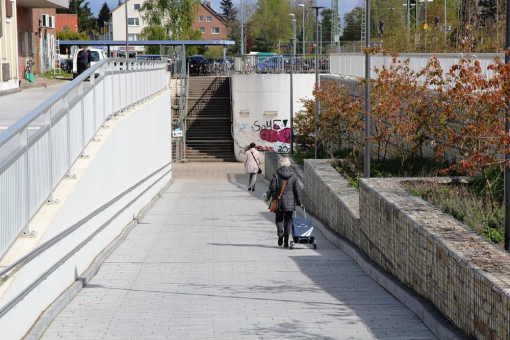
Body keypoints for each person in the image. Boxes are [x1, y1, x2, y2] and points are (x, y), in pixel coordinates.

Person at [269, 157, 302, 248]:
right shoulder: (293, 175)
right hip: (290, 203)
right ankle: (286, 241)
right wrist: (299, 202)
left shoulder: (276, 174)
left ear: (280, 164)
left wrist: (275, 195)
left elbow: (272, 187)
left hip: (279, 201)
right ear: (289, 164)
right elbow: (297, 190)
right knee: (288, 221)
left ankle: (280, 231)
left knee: (279, 219)